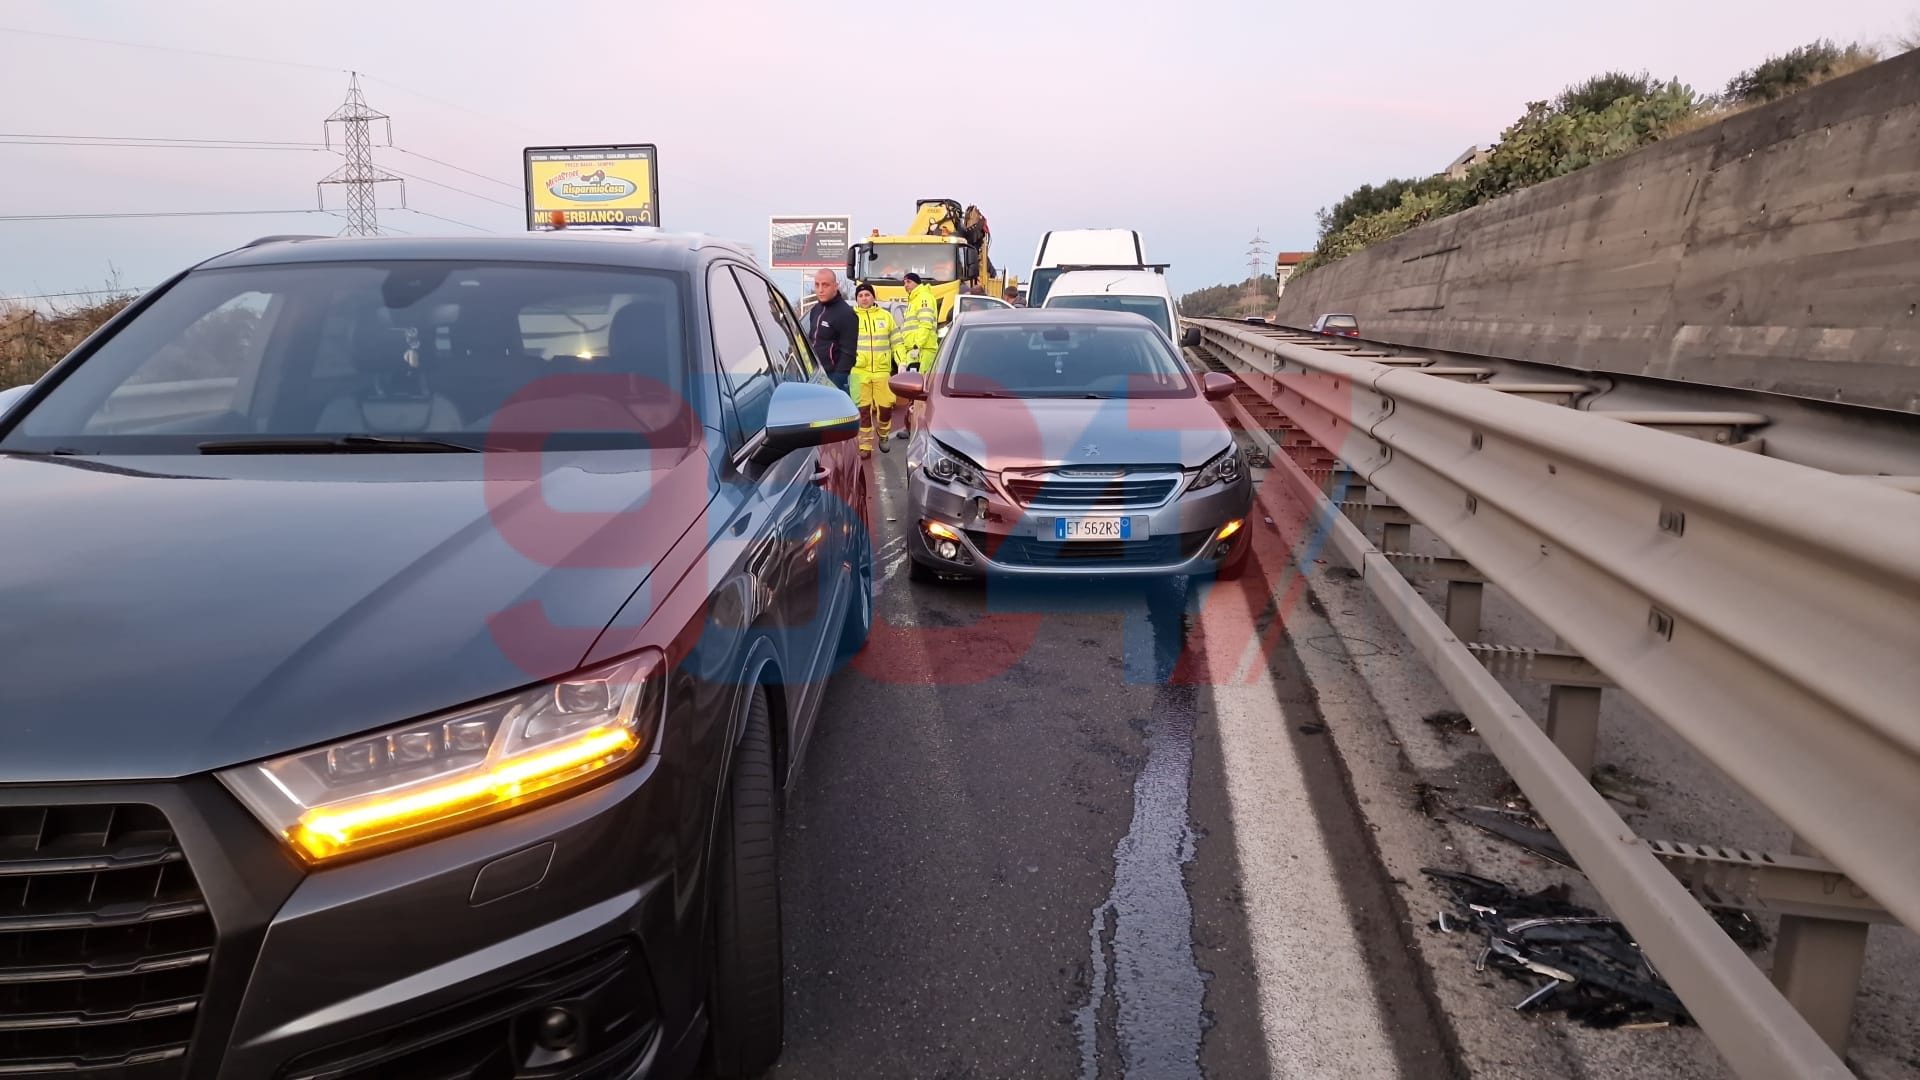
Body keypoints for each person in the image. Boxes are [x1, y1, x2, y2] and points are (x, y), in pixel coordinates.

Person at [849, 281, 903, 457]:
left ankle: (884, 433)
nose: (864, 298)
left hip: (881, 370)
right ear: (856, 299)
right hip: (858, 371)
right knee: (863, 411)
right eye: (860, 295)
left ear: (873, 297)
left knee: (886, 407)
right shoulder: (850, 317)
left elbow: (896, 341)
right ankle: (865, 446)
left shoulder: (885, 317)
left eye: (867, 295)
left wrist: (902, 362)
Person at [897, 272, 941, 441]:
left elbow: (925, 324)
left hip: (922, 351)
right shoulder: (914, 299)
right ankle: (912, 426)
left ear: (916, 283)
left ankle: (918, 427)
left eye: (908, 282)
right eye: (904, 282)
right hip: (915, 351)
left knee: (920, 391)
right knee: (914, 391)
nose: (905, 285)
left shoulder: (923, 298)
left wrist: (917, 346)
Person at [805, 268, 859, 392]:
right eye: (817, 285)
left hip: (834, 379)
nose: (820, 290)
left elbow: (849, 353)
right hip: (814, 375)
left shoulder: (846, 313)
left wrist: (836, 383)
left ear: (835, 286)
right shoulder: (815, 310)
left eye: (825, 285)